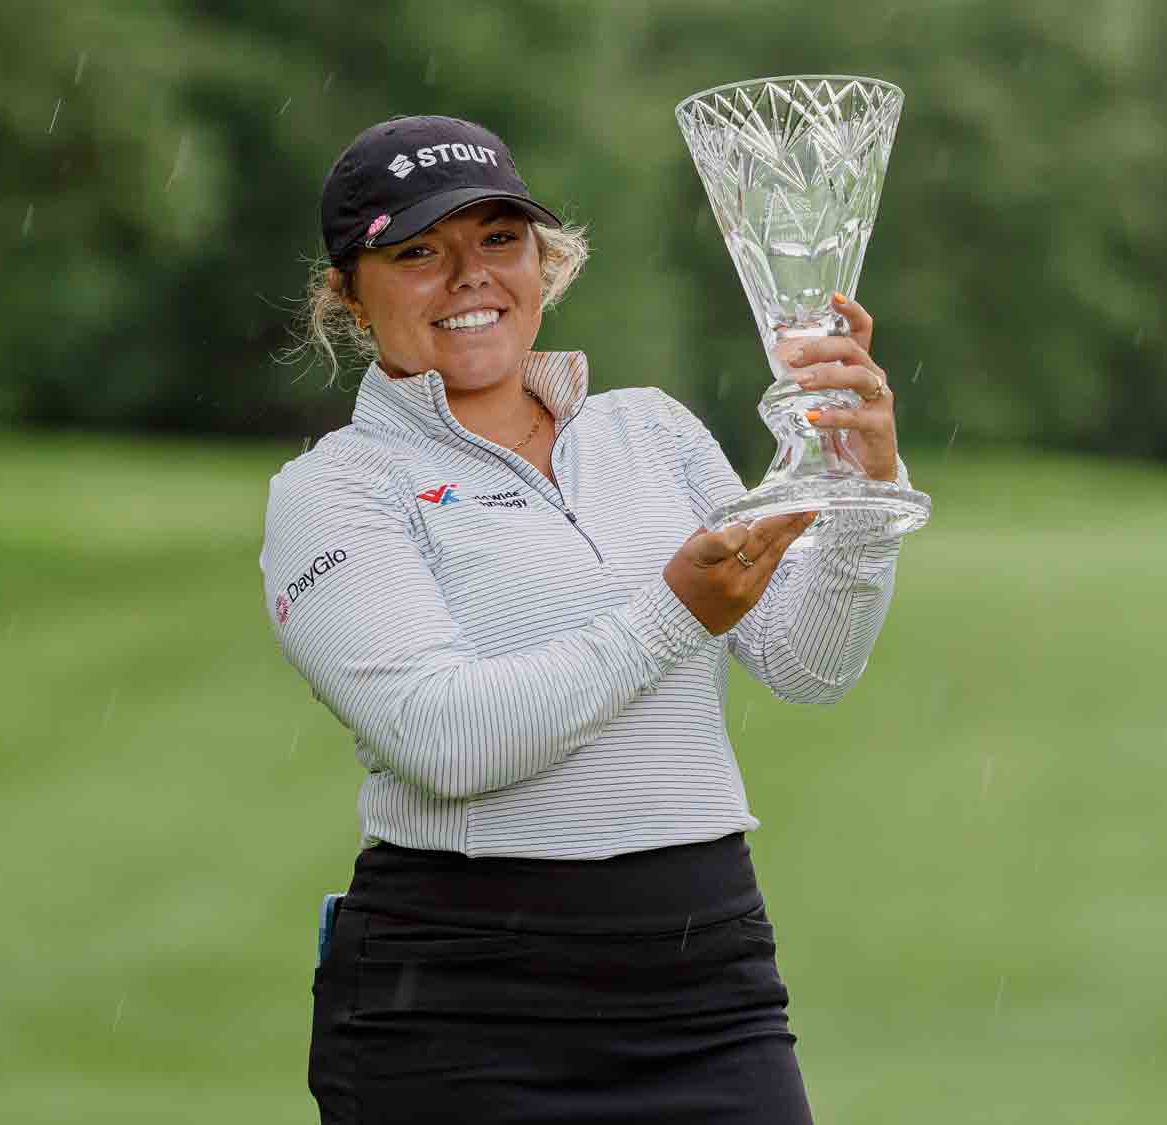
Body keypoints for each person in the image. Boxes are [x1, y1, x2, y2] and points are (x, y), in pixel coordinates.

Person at [262, 114, 911, 1125]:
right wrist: (670, 615)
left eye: (497, 240)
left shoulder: (647, 430)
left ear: (543, 261)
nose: (468, 276)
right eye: (417, 252)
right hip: (458, 1008)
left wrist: (861, 492)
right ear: (349, 292)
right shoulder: (335, 490)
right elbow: (446, 739)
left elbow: (805, 662)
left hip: (708, 984)